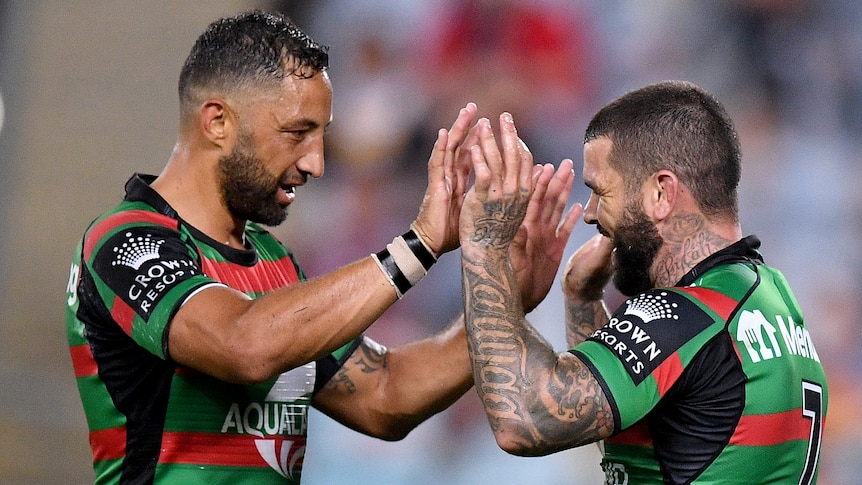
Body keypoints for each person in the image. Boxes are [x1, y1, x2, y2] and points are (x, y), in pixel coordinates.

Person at [64, 10, 577, 484]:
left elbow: (385, 395)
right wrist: (418, 245)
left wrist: (502, 299)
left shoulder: (274, 263)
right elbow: (244, 345)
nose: (316, 163)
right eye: (296, 133)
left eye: (321, 136)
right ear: (217, 121)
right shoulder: (126, 241)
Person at [459, 81, 828, 484]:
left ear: (661, 193)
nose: (591, 214)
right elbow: (642, 434)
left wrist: (484, 246)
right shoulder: (771, 296)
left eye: (601, 192)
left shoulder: (690, 315)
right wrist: (582, 299)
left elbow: (524, 419)